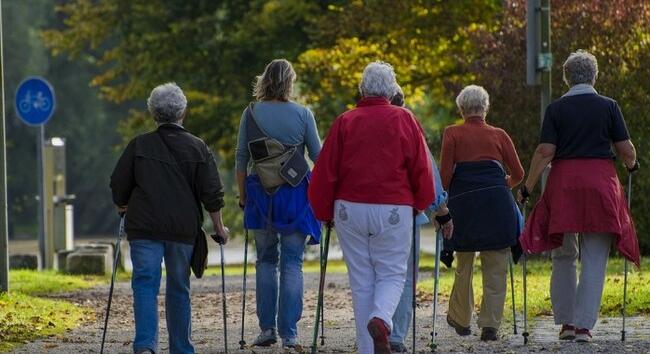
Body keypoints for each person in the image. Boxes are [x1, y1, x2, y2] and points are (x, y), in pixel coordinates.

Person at [308, 61, 435, 354]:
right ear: (391, 90)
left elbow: (325, 171)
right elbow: (421, 168)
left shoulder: (345, 121)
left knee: (361, 280)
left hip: (349, 208)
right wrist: (420, 202)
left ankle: (368, 348)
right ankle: (382, 318)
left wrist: (323, 212)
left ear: (362, 89)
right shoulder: (405, 119)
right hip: (393, 206)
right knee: (391, 273)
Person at [519, 50, 640, 343]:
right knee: (595, 256)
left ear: (566, 78)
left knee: (563, 253)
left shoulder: (556, 109)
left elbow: (545, 152)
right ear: (594, 75)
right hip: (601, 184)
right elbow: (626, 150)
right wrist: (632, 165)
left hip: (564, 184)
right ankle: (585, 326)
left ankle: (567, 324)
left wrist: (528, 186)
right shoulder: (609, 106)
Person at [110, 83, 229, 354]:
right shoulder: (198, 147)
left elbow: (118, 182)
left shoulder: (139, 145)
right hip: (181, 230)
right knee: (179, 287)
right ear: (183, 112)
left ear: (153, 112)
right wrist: (219, 227)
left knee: (144, 283)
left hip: (144, 227)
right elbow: (212, 192)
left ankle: (145, 345)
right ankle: (181, 349)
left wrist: (122, 205)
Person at [235, 59, 322, 348]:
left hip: (260, 193)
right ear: (290, 82)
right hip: (296, 194)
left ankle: (266, 329)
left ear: (265, 80)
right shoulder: (303, 114)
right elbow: (318, 158)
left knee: (265, 260)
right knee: (292, 263)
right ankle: (290, 333)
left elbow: (240, 158)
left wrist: (243, 196)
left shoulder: (250, 114)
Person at [439, 84, 524, 341]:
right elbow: (519, 174)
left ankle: (461, 319)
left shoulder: (451, 133)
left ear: (462, 109)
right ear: (485, 108)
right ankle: (490, 326)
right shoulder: (500, 135)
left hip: (464, 208)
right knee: (496, 264)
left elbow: (444, 180)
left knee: (464, 263)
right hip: (497, 206)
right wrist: (501, 185)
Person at [388, 87, 452, 353]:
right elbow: (428, 172)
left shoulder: (358, 122)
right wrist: (442, 212)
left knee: (374, 275)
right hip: (405, 213)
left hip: (364, 212)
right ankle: (396, 336)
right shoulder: (409, 126)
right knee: (404, 275)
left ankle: (376, 328)